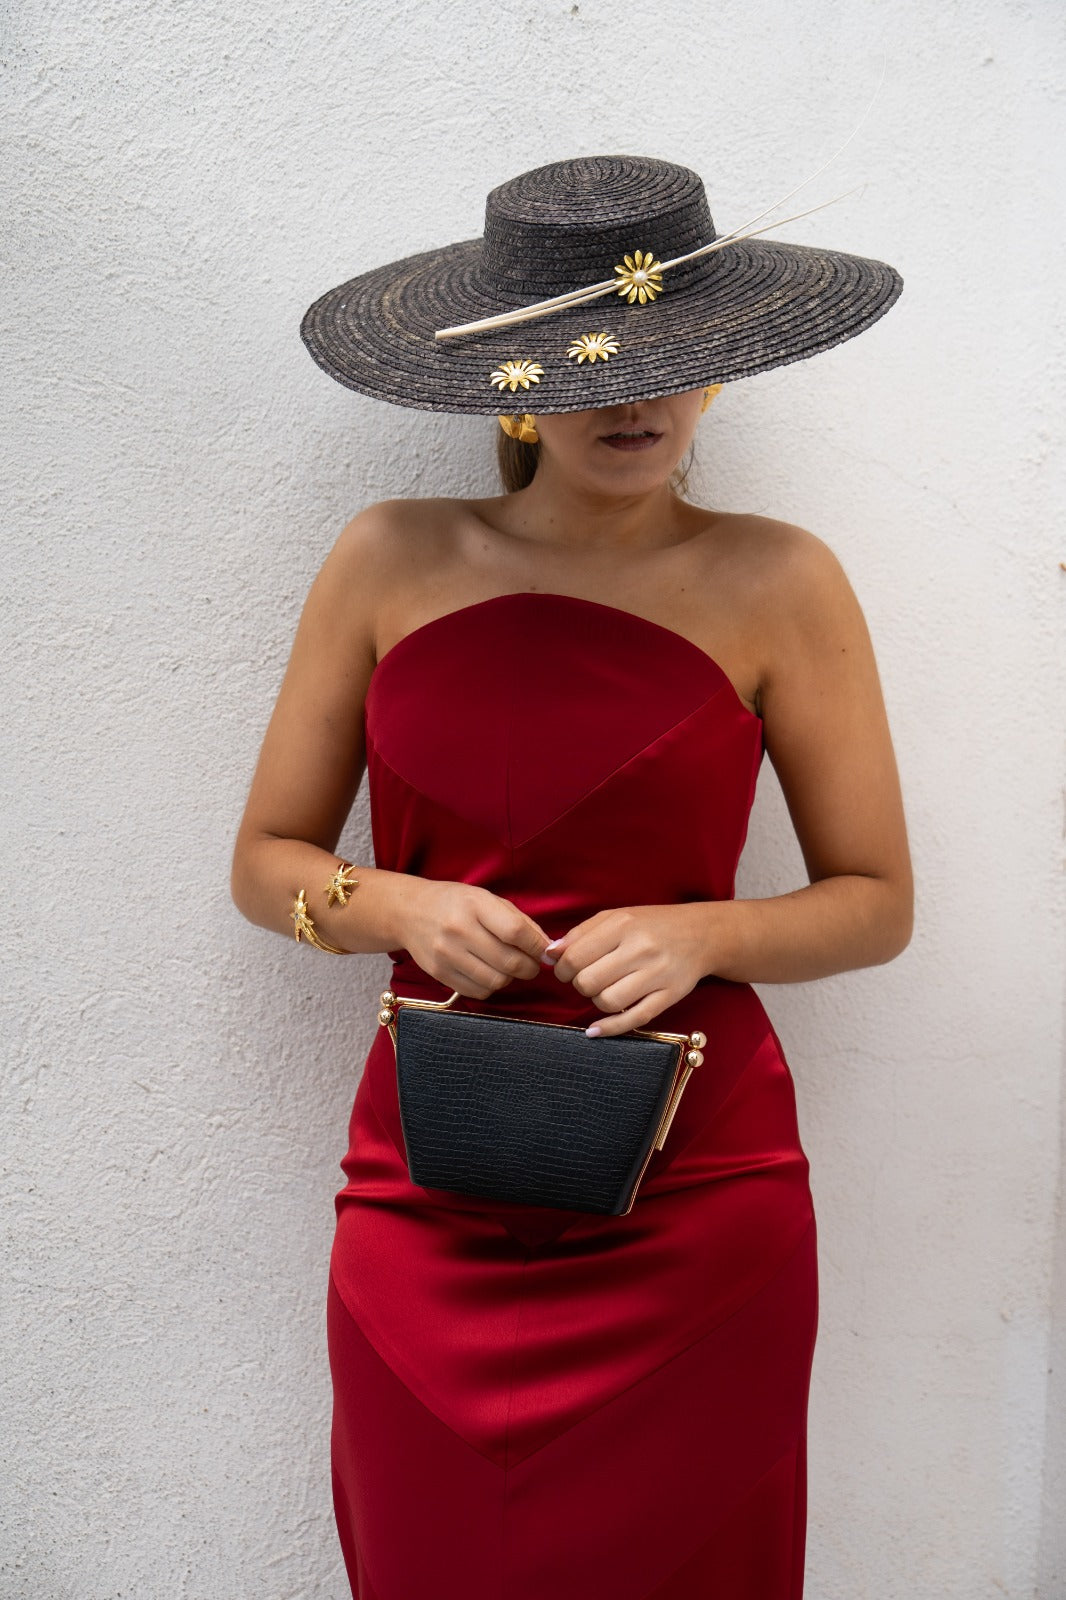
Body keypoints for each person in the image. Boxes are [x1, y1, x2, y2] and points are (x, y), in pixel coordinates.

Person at [231, 154, 912, 1599]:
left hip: (696, 1191)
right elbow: (262, 861)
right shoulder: (386, 557)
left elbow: (874, 901)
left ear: (717, 371)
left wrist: (704, 932)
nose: (634, 400)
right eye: (592, 367)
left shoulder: (782, 580)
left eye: (670, 363)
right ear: (510, 387)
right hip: (426, 1190)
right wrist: (396, 905)